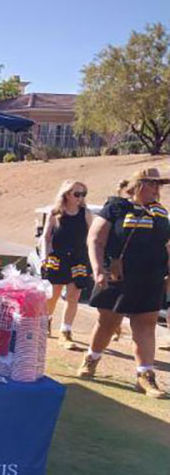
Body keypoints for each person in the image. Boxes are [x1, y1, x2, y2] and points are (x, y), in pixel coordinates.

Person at [77, 167, 170, 398]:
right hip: (116, 275)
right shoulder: (115, 207)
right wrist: (98, 269)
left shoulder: (160, 213)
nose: (157, 189)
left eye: (159, 184)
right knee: (108, 322)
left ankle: (145, 376)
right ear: (138, 185)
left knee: (146, 325)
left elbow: (168, 245)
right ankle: (91, 358)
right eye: (152, 183)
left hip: (151, 277)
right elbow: (95, 240)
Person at [40, 179, 92, 349]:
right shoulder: (55, 213)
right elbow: (46, 237)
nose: (80, 197)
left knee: (73, 295)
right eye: (77, 194)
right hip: (58, 258)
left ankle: (66, 331)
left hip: (78, 259)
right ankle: (46, 320)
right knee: (53, 294)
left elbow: (92, 238)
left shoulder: (86, 213)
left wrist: (94, 260)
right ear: (66, 194)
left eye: (83, 194)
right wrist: (44, 257)